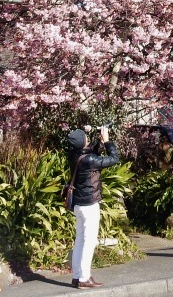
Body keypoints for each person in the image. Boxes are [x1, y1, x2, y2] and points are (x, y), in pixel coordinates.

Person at [67, 124, 119, 290]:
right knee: (89, 242)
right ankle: (84, 278)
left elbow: (90, 153)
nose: (88, 139)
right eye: (86, 138)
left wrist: (99, 141)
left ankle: (77, 277)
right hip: (89, 205)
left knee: (79, 241)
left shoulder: (74, 155)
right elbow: (113, 159)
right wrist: (108, 142)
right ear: (83, 141)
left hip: (78, 205)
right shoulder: (88, 160)